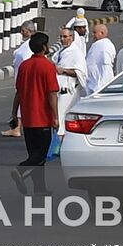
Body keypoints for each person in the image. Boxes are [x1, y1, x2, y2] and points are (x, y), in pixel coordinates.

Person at [12, 33, 59, 192]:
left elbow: (18, 92)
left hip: (27, 117)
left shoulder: (24, 66)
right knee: (42, 155)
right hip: (43, 118)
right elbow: (52, 94)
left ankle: (40, 188)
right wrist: (55, 116)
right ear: (44, 47)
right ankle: (20, 170)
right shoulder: (48, 66)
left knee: (34, 154)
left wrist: (14, 113)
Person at [53, 26, 87, 125]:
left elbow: (80, 72)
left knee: (63, 120)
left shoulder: (76, 53)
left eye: (65, 36)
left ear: (71, 37)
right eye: (61, 37)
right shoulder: (61, 51)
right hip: (58, 90)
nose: (63, 39)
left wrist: (64, 71)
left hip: (68, 92)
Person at [85, 22, 117, 95]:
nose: (92, 35)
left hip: (99, 86)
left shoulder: (105, 45)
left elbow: (105, 67)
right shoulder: (97, 45)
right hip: (92, 84)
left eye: (94, 32)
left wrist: (100, 86)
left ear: (102, 33)